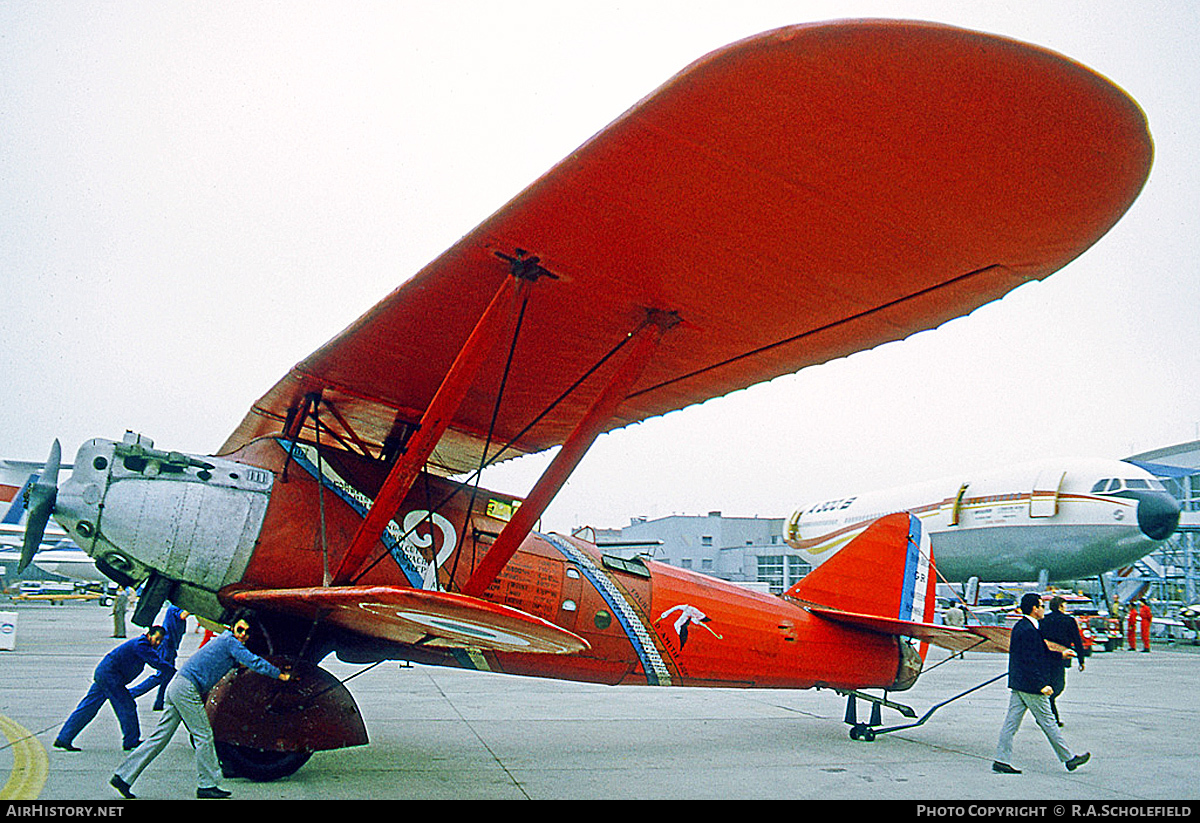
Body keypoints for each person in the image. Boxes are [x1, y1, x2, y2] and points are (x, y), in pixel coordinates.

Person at [111, 611, 291, 800]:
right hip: (186, 689)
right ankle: (207, 784)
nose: (243, 635)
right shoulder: (230, 642)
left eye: (247, 632)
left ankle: (123, 777)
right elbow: (253, 662)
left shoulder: (225, 642)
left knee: (159, 738)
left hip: (177, 686)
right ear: (232, 627)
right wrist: (281, 675)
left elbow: (236, 664)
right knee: (204, 736)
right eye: (240, 629)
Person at [993, 592, 1090, 774]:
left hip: (1019, 684)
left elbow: (1039, 653)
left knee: (1011, 724)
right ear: (1034, 609)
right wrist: (1041, 685)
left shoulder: (1023, 626)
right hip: (1031, 686)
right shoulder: (1029, 630)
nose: (1043, 609)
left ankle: (1001, 760)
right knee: (1048, 722)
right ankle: (1069, 759)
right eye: (1041, 606)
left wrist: (1060, 654)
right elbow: (1030, 661)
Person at [54, 626, 173, 752]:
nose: (158, 643)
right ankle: (131, 740)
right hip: (110, 677)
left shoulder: (143, 645)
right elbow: (156, 662)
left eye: (161, 641)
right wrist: (174, 671)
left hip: (105, 674)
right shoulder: (141, 645)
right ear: (149, 635)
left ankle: (64, 738)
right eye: (157, 639)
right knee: (127, 706)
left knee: (88, 707)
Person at [130, 604, 189, 710]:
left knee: (166, 676)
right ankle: (132, 693)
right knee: (161, 675)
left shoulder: (174, 607)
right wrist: (195, 609)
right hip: (166, 646)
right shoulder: (175, 607)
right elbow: (183, 615)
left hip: (170, 646)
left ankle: (160, 702)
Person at [1039, 596, 1085, 727]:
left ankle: (1049, 716)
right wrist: (1081, 659)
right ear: (1060, 606)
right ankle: (1051, 716)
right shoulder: (1069, 621)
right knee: (1058, 686)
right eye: (1064, 605)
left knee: (1050, 686)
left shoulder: (1044, 620)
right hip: (1061, 658)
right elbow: (1077, 640)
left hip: (1046, 657)